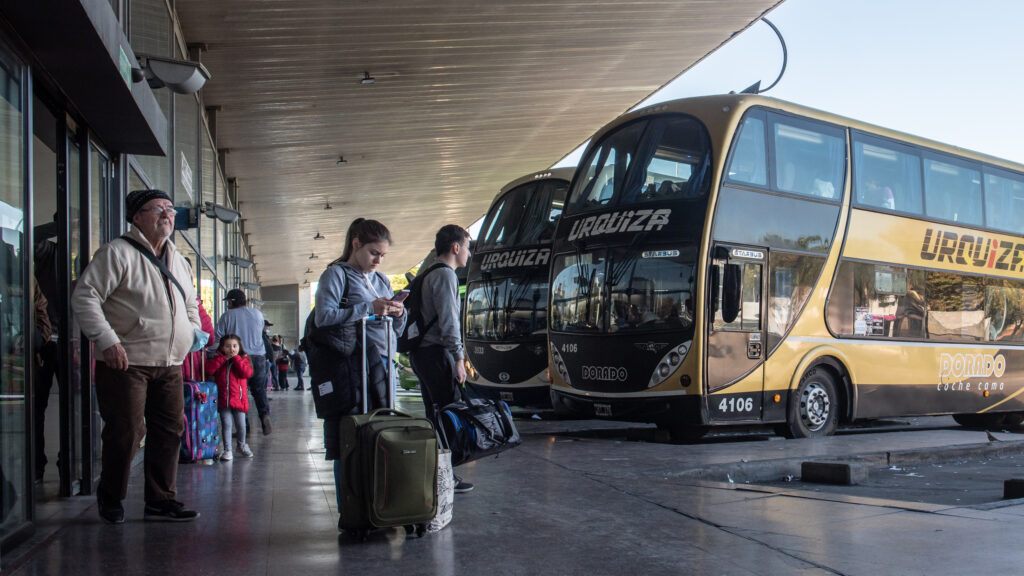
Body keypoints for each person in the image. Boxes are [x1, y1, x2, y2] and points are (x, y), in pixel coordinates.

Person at [71, 189, 202, 523]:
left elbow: (190, 304)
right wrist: (106, 340)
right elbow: (85, 297)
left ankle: (160, 499)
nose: (167, 215)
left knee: (170, 430)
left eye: (170, 209)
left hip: (170, 363)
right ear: (136, 216)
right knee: (126, 432)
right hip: (125, 362)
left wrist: (191, 333)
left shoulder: (179, 260)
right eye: (157, 209)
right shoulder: (116, 253)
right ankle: (111, 496)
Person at [313, 218, 406, 528]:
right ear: (355, 244)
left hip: (381, 367)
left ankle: (378, 507)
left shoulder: (381, 280)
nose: (378, 261)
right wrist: (369, 309)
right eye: (373, 253)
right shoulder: (336, 275)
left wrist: (398, 312)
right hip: (350, 370)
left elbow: (395, 330)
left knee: (379, 435)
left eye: (382, 255)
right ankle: (351, 512)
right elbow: (324, 317)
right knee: (349, 438)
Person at [408, 224, 474, 494]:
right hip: (437, 354)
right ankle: (445, 477)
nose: (468, 254)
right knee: (447, 415)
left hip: (421, 353)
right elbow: (449, 323)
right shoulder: (446, 276)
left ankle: (436, 475)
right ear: (455, 247)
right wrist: (459, 358)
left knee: (433, 415)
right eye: (467, 248)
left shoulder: (427, 272)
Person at [215, 289, 273, 435]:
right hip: (258, 356)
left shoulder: (227, 316)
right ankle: (265, 416)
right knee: (259, 390)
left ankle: (244, 427)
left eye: (228, 302)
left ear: (231, 302)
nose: (227, 305)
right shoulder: (257, 314)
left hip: (238, 358)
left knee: (240, 392)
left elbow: (218, 337)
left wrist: (213, 353)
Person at [206, 334, 254, 461]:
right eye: (227, 346)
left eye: (234, 346)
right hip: (223, 399)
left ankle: (242, 445)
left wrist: (237, 359)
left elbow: (247, 373)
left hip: (238, 400)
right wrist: (222, 359)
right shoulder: (218, 359)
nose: (231, 349)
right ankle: (228, 450)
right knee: (226, 424)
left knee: (241, 425)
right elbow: (209, 370)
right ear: (222, 348)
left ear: (239, 347)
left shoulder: (243, 359)